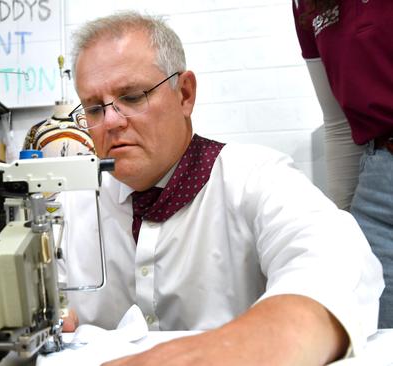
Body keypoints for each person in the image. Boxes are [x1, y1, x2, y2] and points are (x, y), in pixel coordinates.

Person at [57, 11, 384, 365]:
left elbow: (336, 263)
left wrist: (238, 348)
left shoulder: (254, 178)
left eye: (133, 97)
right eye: (93, 108)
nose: (111, 122)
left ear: (184, 94)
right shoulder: (70, 208)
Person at [292, 0, 393, 329]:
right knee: (374, 331)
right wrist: (340, 228)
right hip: (379, 184)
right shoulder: (306, 4)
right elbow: (337, 123)